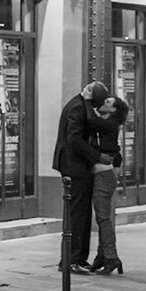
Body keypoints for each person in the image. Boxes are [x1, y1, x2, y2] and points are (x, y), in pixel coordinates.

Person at [51, 80, 109, 273]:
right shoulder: (77, 107)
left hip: (79, 166)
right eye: (95, 104)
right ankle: (70, 260)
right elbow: (74, 139)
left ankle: (79, 258)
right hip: (73, 166)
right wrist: (97, 156)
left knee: (83, 213)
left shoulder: (81, 104)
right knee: (77, 214)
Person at [87, 94, 132, 275]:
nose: (103, 102)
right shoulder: (109, 123)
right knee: (102, 218)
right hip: (103, 176)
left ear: (113, 109)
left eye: (107, 102)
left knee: (103, 219)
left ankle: (112, 258)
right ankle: (102, 257)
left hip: (104, 177)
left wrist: (88, 100)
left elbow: (92, 121)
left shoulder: (110, 124)